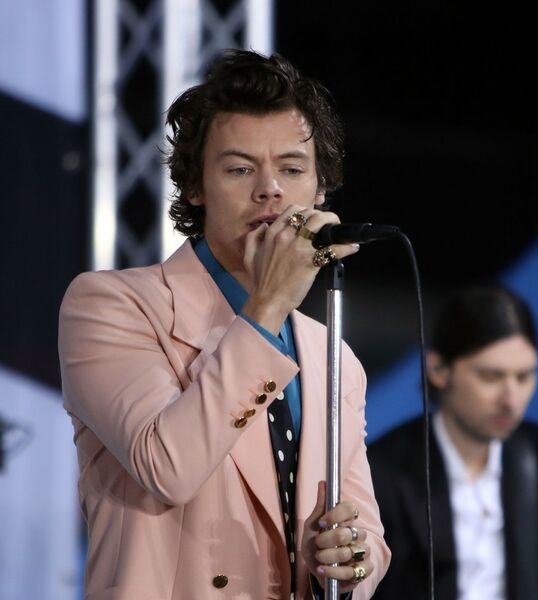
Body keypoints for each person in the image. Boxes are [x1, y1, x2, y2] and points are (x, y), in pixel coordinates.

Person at [58, 49, 390, 599]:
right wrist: (268, 305)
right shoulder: (112, 305)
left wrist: (352, 560)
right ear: (197, 187)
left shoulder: (331, 353)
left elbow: (367, 536)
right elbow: (167, 466)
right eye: (240, 169)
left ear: (320, 189)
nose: (270, 189)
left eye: (292, 169)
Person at [368, 284, 538, 600]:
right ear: (438, 369)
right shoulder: (383, 471)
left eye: (524, 377)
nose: (511, 400)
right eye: (491, 377)